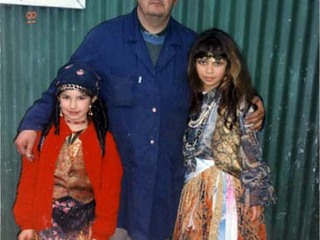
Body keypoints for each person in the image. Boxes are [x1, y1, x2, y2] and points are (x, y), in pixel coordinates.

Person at [14, 1, 265, 239]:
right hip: (118, 189)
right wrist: (32, 124)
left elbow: (221, 85)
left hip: (165, 189)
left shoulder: (191, 45)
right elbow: (64, 86)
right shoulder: (105, 39)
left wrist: (251, 101)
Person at [173, 28, 276, 240]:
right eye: (203, 62)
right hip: (193, 187)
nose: (209, 70)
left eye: (217, 63)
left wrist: (255, 195)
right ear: (193, 64)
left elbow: (251, 152)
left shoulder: (239, 104)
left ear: (229, 66)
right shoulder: (189, 98)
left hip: (227, 188)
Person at [13, 63, 123, 240]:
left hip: (85, 226)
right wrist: (27, 224)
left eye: (81, 98)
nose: (73, 105)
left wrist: (102, 232)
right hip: (47, 223)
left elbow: (110, 190)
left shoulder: (104, 141)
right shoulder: (42, 137)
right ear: (57, 99)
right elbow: (28, 182)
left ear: (93, 100)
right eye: (66, 97)